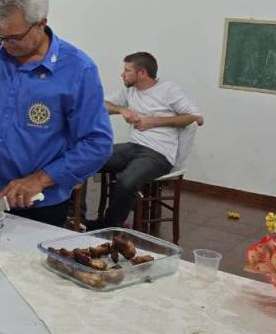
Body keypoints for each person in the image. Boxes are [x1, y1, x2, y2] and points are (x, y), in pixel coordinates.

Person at [0, 0, 112, 227]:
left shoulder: (78, 69)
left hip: (39, 203)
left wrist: (40, 179)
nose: (4, 45)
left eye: (14, 38)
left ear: (41, 23)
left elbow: (97, 143)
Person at [86, 52, 204, 230]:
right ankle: (75, 216)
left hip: (159, 154)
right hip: (133, 147)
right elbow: (100, 104)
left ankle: (110, 228)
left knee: (126, 181)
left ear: (142, 73)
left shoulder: (168, 90)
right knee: (86, 159)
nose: (122, 74)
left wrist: (154, 121)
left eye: (127, 70)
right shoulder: (130, 90)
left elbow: (197, 118)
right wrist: (121, 110)